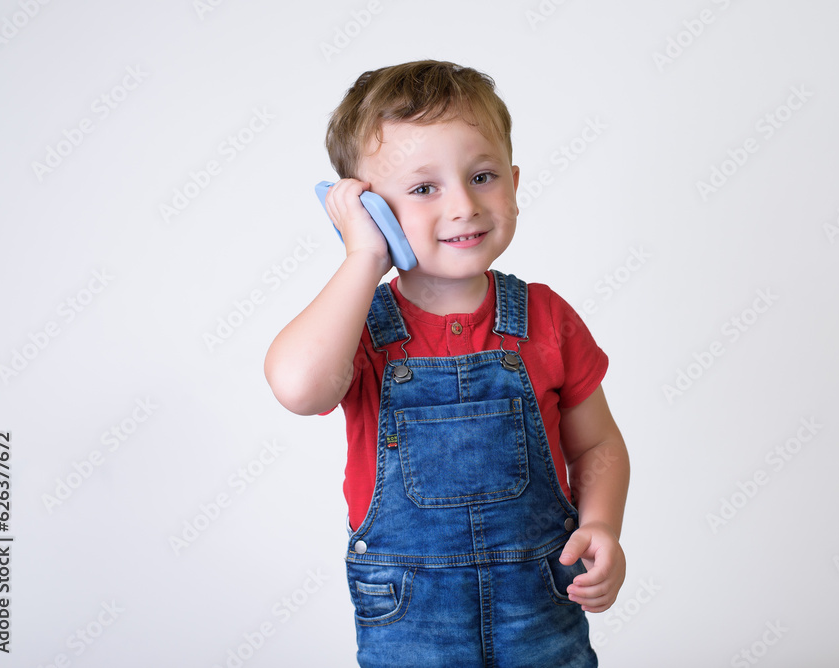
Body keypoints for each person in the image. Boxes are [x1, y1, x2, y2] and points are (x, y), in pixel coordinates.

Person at [264, 59, 630, 668]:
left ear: (513, 180)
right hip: (411, 619)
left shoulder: (546, 315)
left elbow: (598, 446)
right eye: (423, 188)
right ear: (369, 209)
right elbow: (299, 387)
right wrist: (363, 256)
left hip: (540, 605)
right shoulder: (358, 329)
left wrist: (602, 524)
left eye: (482, 175)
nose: (463, 205)